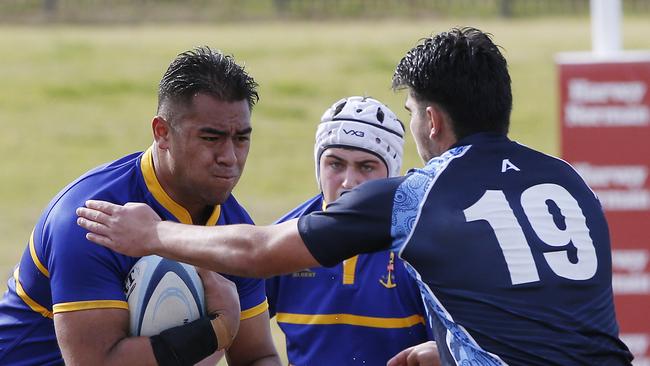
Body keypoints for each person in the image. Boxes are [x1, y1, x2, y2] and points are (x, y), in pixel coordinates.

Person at [76, 28, 634, 365]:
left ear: (432, 120)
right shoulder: (570, 182)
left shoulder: (419, 195)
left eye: (412, 113)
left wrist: (155, 234)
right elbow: (560, 324)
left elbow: (259, 251)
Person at [0, 46, 281, 366]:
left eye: (241, 139)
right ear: (162, 132)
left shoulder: (233, 225)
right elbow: (96, 363)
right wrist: (216, 331)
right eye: (211, 138)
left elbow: (257, 355)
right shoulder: (90, 220)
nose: (230, 158)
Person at [265, 96, 430, 365]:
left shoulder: (420, 247)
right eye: (335, 164)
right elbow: (238, 333)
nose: (348, 182)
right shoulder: (282, 239)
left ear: (392, 173)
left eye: (366, 166)